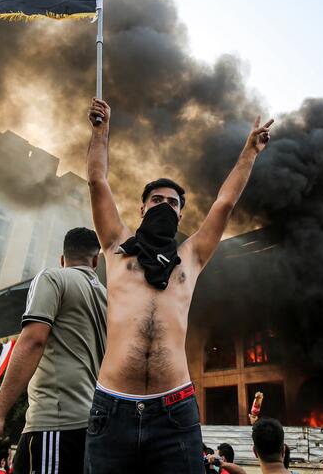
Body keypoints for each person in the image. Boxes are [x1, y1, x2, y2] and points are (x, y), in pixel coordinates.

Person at [84, 97, 272, 472]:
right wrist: (101, 131)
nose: (164, 206)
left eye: (172, 203)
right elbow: (96, 180)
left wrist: (249, 152)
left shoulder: (191, 256)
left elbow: (223, 204)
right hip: (112, 408)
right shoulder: (117, 247)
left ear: (180, 214)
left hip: (174, 410)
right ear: (141, 209)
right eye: (156, 200)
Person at [0, 227, 107, 474]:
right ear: (96, 260)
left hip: (56, 423)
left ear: (62, 258)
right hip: (95, 426)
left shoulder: (53, 278)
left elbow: (33, 340)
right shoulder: (109, 298)